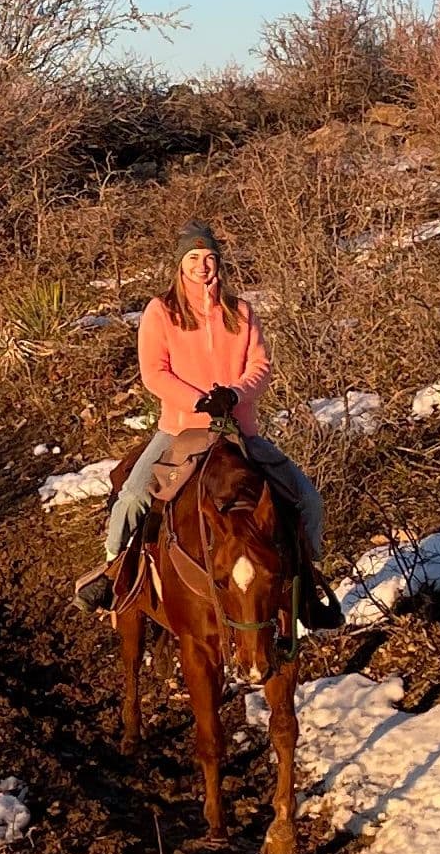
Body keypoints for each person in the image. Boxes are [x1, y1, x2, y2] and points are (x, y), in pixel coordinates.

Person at [82, 226, 333, 614]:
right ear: (180, 264)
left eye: (210, 258)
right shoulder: (160, 311)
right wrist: (200, 401)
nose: (203, 266)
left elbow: (260, 366)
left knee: (308, 500)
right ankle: (113, 570)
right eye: (194, 259)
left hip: (239, 432)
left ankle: (308, 585)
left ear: (220, 263)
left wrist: (234, 395)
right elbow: (154, 372)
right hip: (180, 430)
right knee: (132, 496)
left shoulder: (241, 312)